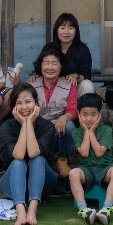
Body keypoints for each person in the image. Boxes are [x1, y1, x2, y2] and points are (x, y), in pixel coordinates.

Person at [0, 84, 58, 225]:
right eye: (19, 103)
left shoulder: (47, 127)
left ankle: (32, 209)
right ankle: (20, 211)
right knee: (18, 162)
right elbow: (19, 155)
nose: (24, 107)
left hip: (43, 185)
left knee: (37, 158)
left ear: (36, 103)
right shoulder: (7, 126)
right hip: (12, 185)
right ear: (14, 107)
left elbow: (33, 152)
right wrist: (24, 124)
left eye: (28, 102)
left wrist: (28, 123)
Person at [69, 93, 113, 225]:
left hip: (104, 169)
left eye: (93, 114)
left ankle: (106, 209)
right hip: (86, 170)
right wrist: (86, 132)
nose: (89, 119)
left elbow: (99, 152)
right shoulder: (76, 132)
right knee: (73, 173)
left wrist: (91, 132)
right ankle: (84, 210)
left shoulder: (106, 130)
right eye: (85, 114)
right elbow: (84, 153)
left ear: (100, 114)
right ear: (78, 114)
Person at [28, 47, 77, 178]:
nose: (50, 67)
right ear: (40, 65)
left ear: (61, 66)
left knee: (69, 126)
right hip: (38, 129)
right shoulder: (32, 84)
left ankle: (62, 159)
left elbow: (72, 110)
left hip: (58, 129)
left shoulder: (69, 84)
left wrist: (63, 118)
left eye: (54, 63)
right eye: (46, 63)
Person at [28, 13, 95, 97]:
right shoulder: (48, 48)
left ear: (76, 31)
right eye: (62, 28)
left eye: (70, 28)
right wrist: (36, 75)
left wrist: (76, 76)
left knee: (87, 84)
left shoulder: (83, 50)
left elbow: (86, 75)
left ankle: (84, 105)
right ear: (56, 30)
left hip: (73, 88)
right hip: (52, 87)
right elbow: (41, 68)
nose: (66, 32)